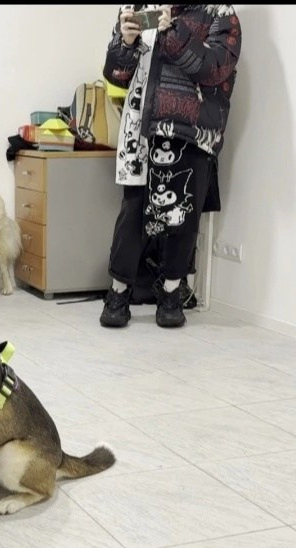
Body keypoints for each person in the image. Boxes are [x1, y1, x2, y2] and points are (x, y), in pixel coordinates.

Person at [99, 4, 241, 328]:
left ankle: (172, 292)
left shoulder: (218, 12)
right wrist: (125, 43)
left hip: (191, 130)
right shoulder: (135, 8)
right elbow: (117, 76)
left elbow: (216, 69)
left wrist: (173, 33)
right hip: (141, 128)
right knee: (132, 212)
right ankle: (118, 293)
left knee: (182, 216)